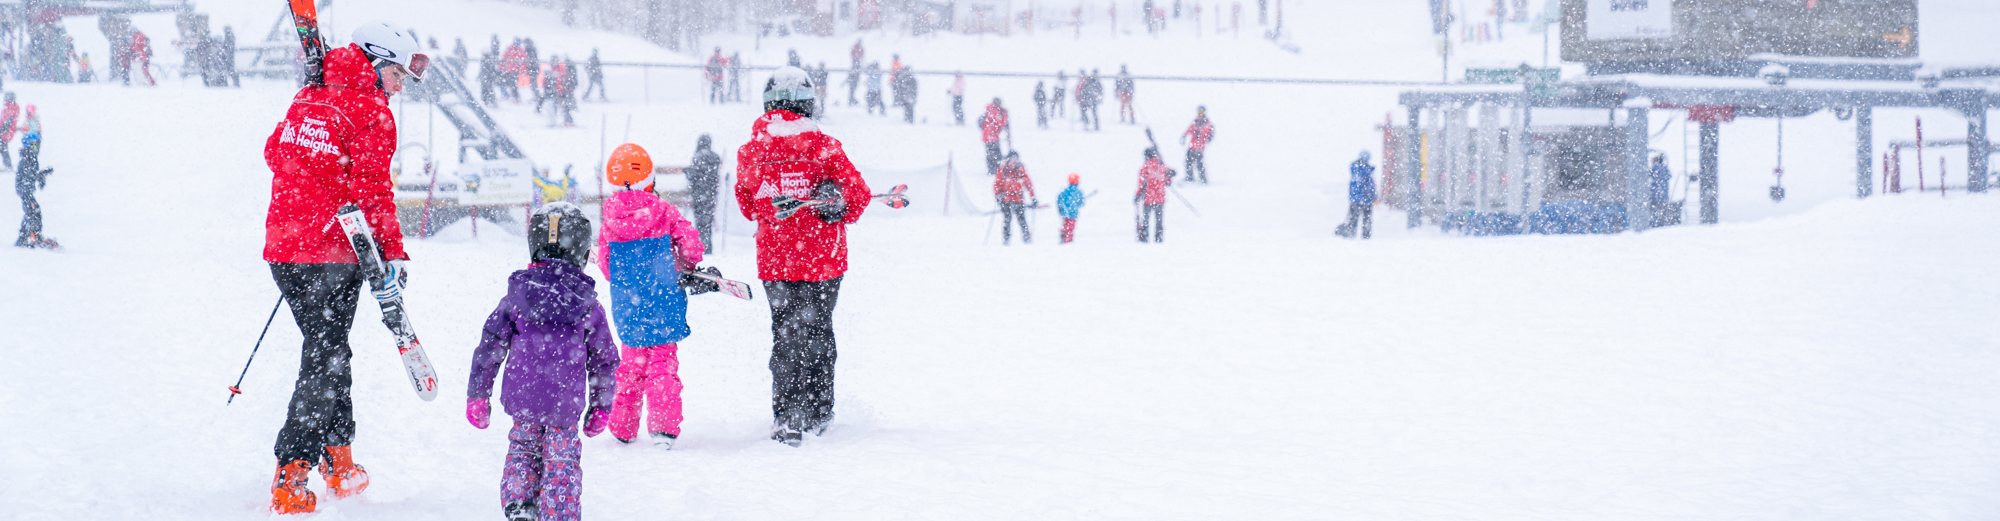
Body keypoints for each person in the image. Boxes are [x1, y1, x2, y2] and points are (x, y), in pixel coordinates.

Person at [260, 20, 425, 515]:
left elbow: (274, 152)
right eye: (397, 74)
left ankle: (339, 458)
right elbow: (374, 193)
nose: (400, 85)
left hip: (283, 252)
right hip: (332, 256)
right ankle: (292, 472)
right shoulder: (372, 112)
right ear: (376, 65)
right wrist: (392, 252)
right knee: (324, 359)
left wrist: (316, 169)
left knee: (329, 350)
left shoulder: (308, 95)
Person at [733, 66, 870, 447]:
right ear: (809, 103)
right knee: (819, 332)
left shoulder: (752, 150)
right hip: (823, 262)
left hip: (776, 264)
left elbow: (748, 205)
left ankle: (787, 413)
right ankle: (818, 409)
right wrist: (833, 204)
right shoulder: (825, 146)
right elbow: (857, 198)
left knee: (786, 335)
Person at [466, 202, 620, 521]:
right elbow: (604, 361)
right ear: (580, 251)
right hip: (565, 400)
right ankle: (558, 511)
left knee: (523, 448)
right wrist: (601, 406)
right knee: (561, 460)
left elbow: (489, 347)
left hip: (524, 395)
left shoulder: (517, 297)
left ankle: (520, 504)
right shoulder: (587, 305)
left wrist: (478, 394)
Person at [594, 144, 706, 450]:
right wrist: (686, 263)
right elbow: (692, 248)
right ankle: (663, 429)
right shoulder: (665, 211)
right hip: (663, 299)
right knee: (663, 365)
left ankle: (622, 428)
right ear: (650, 179)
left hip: (629, 304)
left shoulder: (609, 222)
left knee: (631, 366)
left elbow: (606, 267)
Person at [14, 104, 52, 249]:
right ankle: (32, 235)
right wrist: (41, 175)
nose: (37, 147)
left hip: (25, 189)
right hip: (25, 190)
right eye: (35, 145)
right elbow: (30, 173)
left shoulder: (30, 157)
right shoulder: (28, 157)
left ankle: (26, 236)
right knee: (33, 211)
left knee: (32, 211)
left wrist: (41, 175)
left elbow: (32, 174)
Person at [686, 134, 722, 252]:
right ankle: (708, 247)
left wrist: (687, 171)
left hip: (699, 194)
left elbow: (693, 175)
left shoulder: (697, 157)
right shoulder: (715, 157)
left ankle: (701, 247)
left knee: (700, 222)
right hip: (710, 194)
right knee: (708, 222)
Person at [993, 151, 1038, 245]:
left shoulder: (1021, 170)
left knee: (1022, 220)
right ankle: (1006, 240)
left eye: (1015, 159)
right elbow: (997, 184)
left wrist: (1033, 197)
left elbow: (1028, 184)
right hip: (1006, 199)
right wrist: (997, 195)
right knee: (1007, 220)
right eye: (1012, 159)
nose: (1013, 162)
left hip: (1018, 199)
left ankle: (1027, 239)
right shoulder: (1003, 170)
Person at [1135, 147, 1172, 243]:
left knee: (1146, 220)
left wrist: (1138, 195)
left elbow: (1141, 183)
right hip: (1160, 198)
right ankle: (1159, 238)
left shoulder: (1145, 167)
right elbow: (1168, 180)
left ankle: (1144, 238)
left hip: (1148, 198)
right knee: (1159, 221)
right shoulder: (1161, 166)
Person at [1337, 150, 1376, 239]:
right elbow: (1369, 185)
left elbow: (1355, 186)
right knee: (1367, 219)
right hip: (1366, 199)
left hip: (1354, 199)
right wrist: (1373, 197)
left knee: (1353, 219)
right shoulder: (1366, 170)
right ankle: (1366, 236)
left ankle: (1350, 234)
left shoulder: (1354, 169)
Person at [1181, 106, 1215, 184]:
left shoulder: (1206, 122)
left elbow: (1208, 131)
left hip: (1200, 147)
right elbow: (1189, 129)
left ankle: (1202, 178)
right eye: (1199, 112)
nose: (1200, 114)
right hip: (1192, 146)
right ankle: (1189, 177)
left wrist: (1202, 134)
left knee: (1199, 163)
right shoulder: (1195, 121)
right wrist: (1184, 135)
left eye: (1201, 112)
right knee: (1188, 162)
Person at [979, 98, 1009, 175]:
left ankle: (993, 169)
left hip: (990, 136)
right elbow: (1001, 122)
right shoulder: (993, 111)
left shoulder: (991, 110)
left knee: (991, 154)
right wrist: (1005, 114)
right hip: (991, 136)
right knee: (995, 154)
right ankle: (994, 169)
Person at [1057, 173, 1085, 244]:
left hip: (1064, 212)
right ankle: (1068, 241)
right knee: (1070, 228)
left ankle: (1063, 235)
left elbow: (1059, 200)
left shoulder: (1064, 191)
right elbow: (1081, 203)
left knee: (1065, 225)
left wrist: (1060, 208)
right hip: (1073, 213)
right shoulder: (1079, 192)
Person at [0, 93, 17, 168]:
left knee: (3, 148)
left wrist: (3, 130)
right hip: (4, 130)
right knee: (3, 148)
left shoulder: (12, 107)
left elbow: (9, 120)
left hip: (5, 131)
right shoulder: (8, 107)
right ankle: (8, 164)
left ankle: (8, 165)